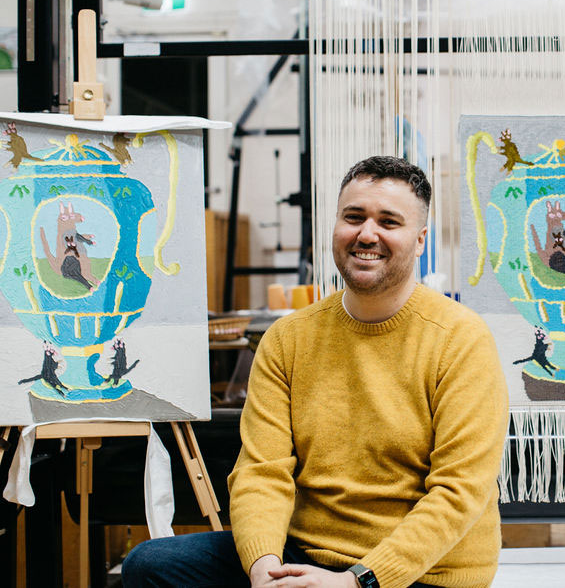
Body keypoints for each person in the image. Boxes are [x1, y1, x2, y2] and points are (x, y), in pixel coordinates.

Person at [123, 156, 509, 588]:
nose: (367, 234)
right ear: (336, 226)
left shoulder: (461, 339)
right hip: (304, 553)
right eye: (354, 217)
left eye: (389, 222)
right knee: (151, 565)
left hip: (422, 573)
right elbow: (261, 472)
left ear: (420, 241)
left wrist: (356, 581)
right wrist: (264, 570)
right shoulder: (288, 338)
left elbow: (459, 492)